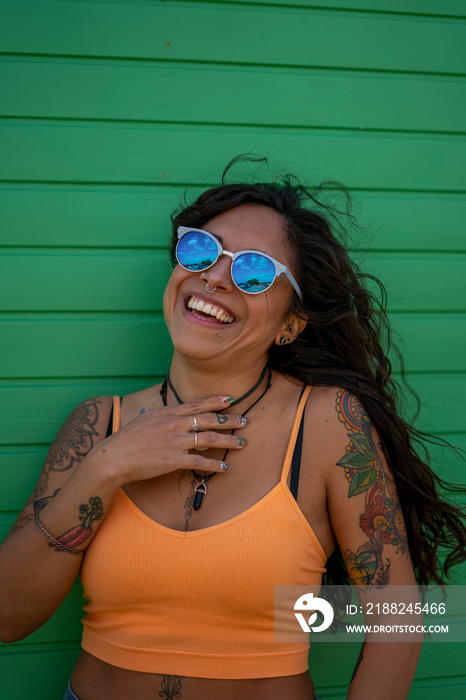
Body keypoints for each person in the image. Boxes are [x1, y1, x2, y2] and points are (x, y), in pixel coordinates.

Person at [0, 156, 465, 700]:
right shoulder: (97, 425)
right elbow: (8, 619)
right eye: (200, 249)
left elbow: (399, 623)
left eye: (254, 272)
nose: (215, 277)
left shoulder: (327, 423)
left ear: (291, 324)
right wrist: (107, 466)